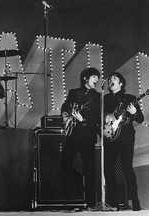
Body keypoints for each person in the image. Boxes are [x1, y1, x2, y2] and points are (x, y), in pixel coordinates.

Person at [61, 67, 101, 209]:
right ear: (86, 78)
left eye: (98, 77)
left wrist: (82, 119)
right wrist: (67, 117)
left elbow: (97, 118)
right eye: (94, 76)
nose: (97, 79)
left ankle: (91, 203)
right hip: (73, 134)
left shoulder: (98, 96)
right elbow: (65, 107)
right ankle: (78, 178)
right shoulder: (74, 92)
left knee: (89, 169)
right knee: (64, 163)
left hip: (88, 135)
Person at [104, 72, 143, 211]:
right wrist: (105, 125)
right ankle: (113, 204)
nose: (111, 81)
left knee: (127, 168)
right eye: (110, 79)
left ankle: (136, 202)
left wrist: (134, 113)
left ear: (121, 83)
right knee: (108, 169)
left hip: (126, 138)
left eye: (114, 78)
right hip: (110, 138)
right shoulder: (104, 99)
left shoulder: (130, 99)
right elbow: (99, 119)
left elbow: (141, 119)